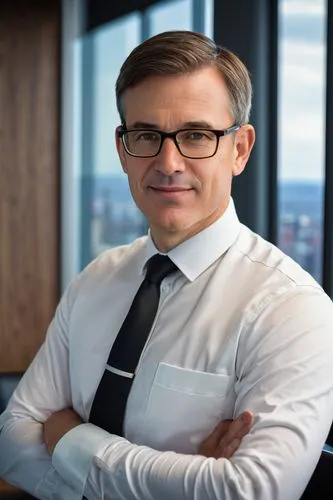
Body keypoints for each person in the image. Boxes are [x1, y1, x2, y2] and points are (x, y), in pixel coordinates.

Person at [1, 30, 333, 500]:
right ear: (122, 148)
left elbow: (255, 492)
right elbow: (13, 438)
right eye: (146, 136)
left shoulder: (293, 311)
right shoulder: (97, 278)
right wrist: (181, 482)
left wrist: (72, 442)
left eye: (197, 135)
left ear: (239, 149)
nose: (168, 161)